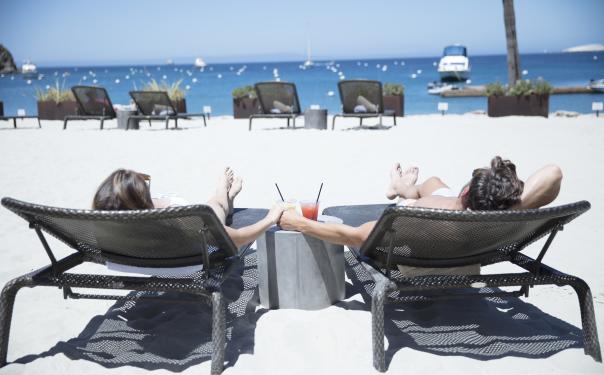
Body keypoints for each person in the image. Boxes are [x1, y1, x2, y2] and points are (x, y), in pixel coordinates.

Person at [278, 156, 563, 247]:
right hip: (459, 214)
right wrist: (511, 203)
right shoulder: (498, 215)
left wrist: (299, 223)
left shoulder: (413, 220)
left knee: (429, 190)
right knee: (435, 183)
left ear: (466, 194)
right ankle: (402, 186)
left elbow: (352, 235)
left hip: (427, 216)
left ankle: (403, 189)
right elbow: (553, 174)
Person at [93, 167, 284, 248]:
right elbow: (238, 239)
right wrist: (270, 218)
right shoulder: (179, 224)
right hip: (198, 235)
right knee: (215, 206)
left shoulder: (108, 228)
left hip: (146, 249)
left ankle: (225, 195)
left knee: (211, 207)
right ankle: (223, 192)